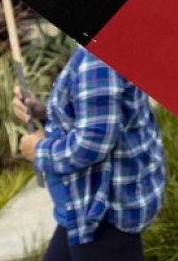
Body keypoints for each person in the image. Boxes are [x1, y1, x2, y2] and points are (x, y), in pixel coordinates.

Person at [12, 46, 166, 261]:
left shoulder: (98, 58)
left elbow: (92, 143)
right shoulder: (97, 49)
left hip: (100, 214)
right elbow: (97, 115)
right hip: (81, 209)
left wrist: (40, 150)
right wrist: (44, 111)